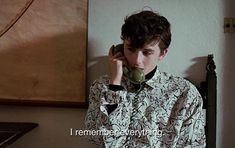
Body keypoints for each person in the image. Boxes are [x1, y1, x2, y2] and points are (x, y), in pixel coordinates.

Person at [85, 10, 206, 147]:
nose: (137, 61)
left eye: (147, 52)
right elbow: (102, 141)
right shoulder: (101, 87)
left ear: (162, 53)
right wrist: (115, 85)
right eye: (130, 49)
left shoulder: (185, 94)